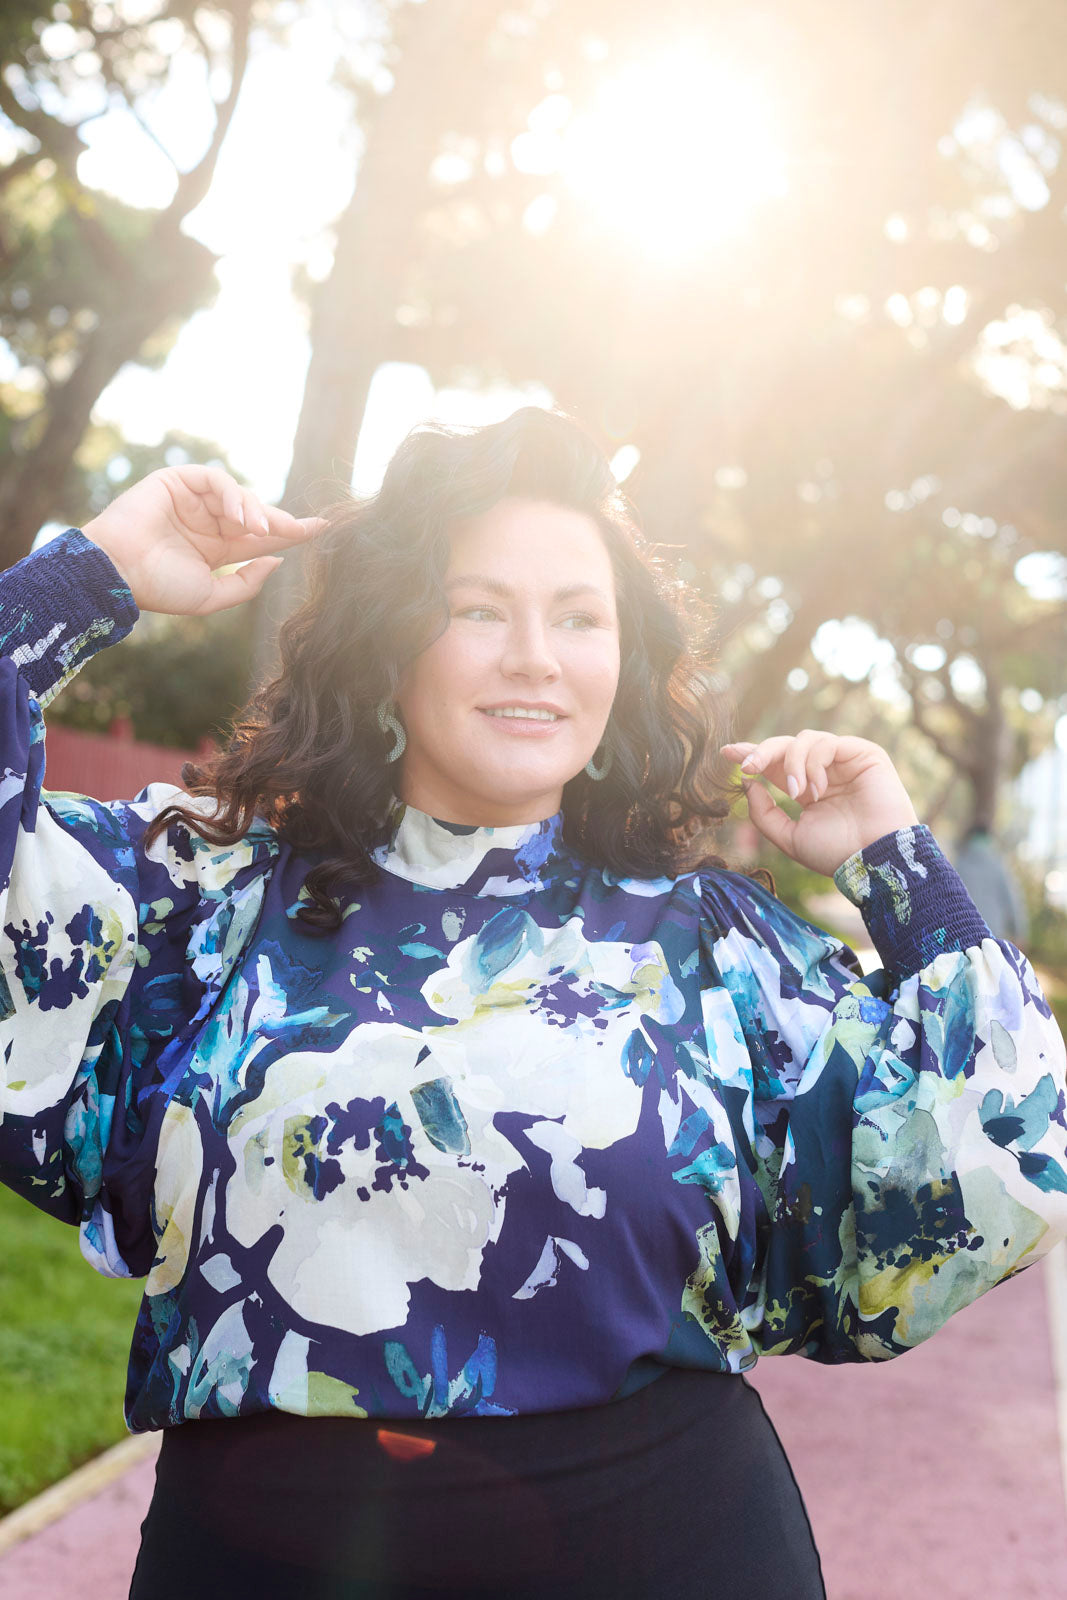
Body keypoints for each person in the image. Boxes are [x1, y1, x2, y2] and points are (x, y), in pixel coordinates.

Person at [0, 407, 1064, 1600]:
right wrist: (84, 576)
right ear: (389, 638)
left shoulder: (714, 946)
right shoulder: (199, 905)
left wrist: (894, 861)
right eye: (476, 609)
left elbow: (1002, 1158)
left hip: (670, 1554)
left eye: (577, 616)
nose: (534, 657)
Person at [952, 824, 1030, 947]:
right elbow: (1012, 901)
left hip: (964, 937)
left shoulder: (959, 864)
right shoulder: (999, 865)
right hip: (994, 936)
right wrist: (1019, 933)